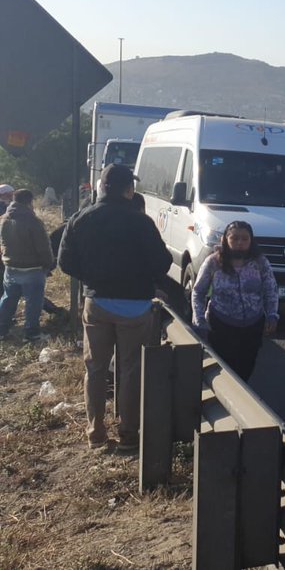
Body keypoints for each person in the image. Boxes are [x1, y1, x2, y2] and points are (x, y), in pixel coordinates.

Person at [58, 164, 171, 452]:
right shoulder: (140, 222)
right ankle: (129, 435)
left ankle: (96, 434)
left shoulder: (80, 218)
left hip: (96, 303)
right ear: (128, 189)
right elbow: (162, 263)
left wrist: (92, 278)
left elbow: (65, 263)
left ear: (100, 187)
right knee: (130, 370)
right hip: (135, 307)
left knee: (94, 369)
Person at [191, 221, 280, 381]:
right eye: (235, 238)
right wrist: (199, 321)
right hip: (221, 325)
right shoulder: (213, 262)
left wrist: (272, 314)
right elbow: (198, 292)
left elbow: (271, 290)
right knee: (224, 371)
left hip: (252, 326)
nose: (240, 243)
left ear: (251, 241)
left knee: (245, 369)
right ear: (226, 239)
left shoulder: (260, 262)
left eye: (245, 239)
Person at [0, 189, 56, 342]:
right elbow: (44, 248)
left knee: (8, 299)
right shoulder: (33, 221)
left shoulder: (4, 219)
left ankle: (2, 329)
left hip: (10, 267)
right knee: (33, 303)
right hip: (32, 269)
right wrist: (48, 265)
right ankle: (32, 334)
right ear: (29, 202)